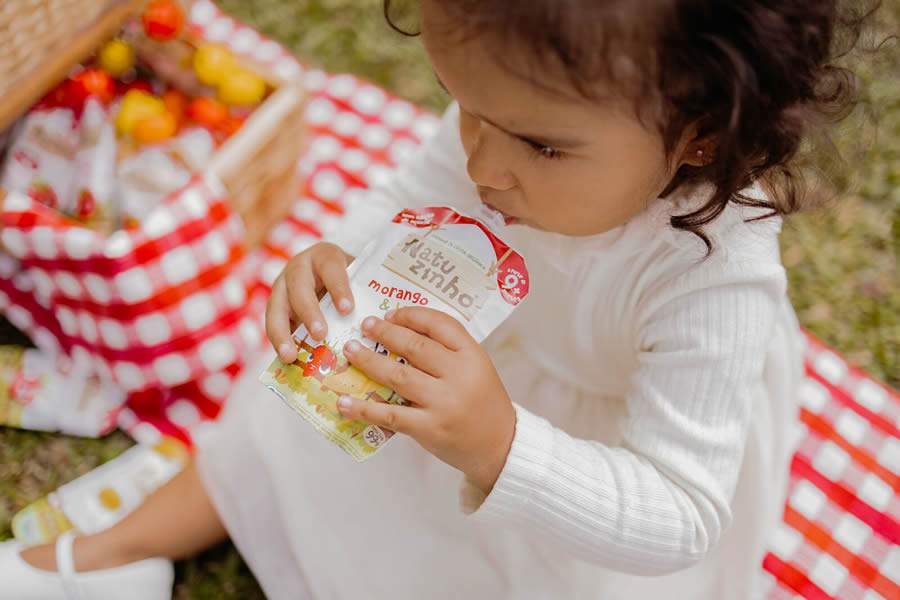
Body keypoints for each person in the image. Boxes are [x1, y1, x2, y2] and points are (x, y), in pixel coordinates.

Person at [3, 0, 873, 598]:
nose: (484, 165)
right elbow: (402, 201)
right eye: (466, 109)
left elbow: (679, 511)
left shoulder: (714, 277)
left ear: (699, 136)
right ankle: (116, 553)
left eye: (537, 145)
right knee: (277, 434)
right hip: (472, 376)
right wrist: (335, 254)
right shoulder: (507, 123)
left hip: (589, 476)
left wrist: (502, 445)